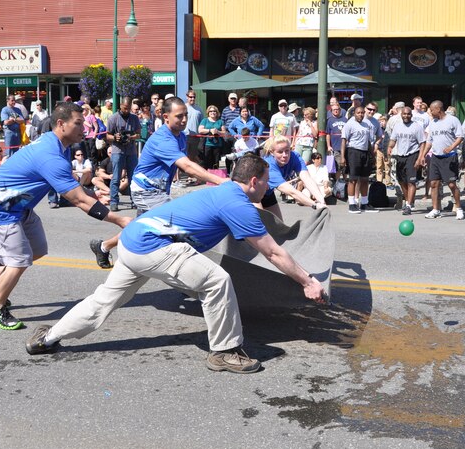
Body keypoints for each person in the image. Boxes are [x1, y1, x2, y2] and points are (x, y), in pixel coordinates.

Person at [24, 153, 328, 374]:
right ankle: (224, 352)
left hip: (132, 242)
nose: (267, 188)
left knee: (102, 301)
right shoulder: (237, 203)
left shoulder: (220, 191)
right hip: (153, 246)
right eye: (266, 182)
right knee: (217, 281)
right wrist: (308, 281)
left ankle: (48, 338)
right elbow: (273, 253)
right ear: (253, 181)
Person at [0, 102, 131, 330]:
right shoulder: (50, 154)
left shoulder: (60, 146)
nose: (84, 129)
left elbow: (72, 189)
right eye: (78, 124)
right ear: (61, 124)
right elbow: (78, 200)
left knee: (37, 249)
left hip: (19, 205)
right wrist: (119, 219)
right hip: (0, 207)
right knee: (19, 260)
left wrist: (92, 193)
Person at [90, 97, 230, 269]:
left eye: (185, 115)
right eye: (179, 116)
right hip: (146, 190)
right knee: (176, 230)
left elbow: (183, 164)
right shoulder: (163, 139)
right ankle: (182, 273)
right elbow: (185, 165)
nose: (184, 119)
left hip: (159, 190)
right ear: (166, 117)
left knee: (141, 226)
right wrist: (221, 181)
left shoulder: (180, 136)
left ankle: (103, 246)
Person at [260, 135, 327, 219]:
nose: (285, 155)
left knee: (279, 227)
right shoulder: (268, 165)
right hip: (252, 196)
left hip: (268, 193)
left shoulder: (295, 156)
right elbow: (291, 192)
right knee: (259, 228)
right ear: (271, 152)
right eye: (280, 152)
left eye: (287, 151)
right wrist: (315, 205)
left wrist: (322, 201)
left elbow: (307, 179)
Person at [423, 100, 465, 220]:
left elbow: (460, 136)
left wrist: (451, 147)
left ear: (438, 109)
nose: (430, 112)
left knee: (452, 184)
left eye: (432, 110)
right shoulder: (432, 123)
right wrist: (423, 156)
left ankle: (459, 208)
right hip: (436, 157)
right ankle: (436, 209)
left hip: (449, 157)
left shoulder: (452, 120)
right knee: (434, 184)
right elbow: (429, 141)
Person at [387, 106, 426, 216]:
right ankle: (409, 200)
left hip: (412, 155)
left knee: (411, 181)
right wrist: (390, 147)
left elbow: (422, 143)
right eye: (404, 114)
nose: (406, 116)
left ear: (411, 115)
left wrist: (420, 157)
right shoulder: (397, 126)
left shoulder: (416, 127)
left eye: (408, 114)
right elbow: (393, 140)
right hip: (400, 156)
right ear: (401, 114)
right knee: (401, 181)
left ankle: (408, 205)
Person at [106, 97, 141, 211]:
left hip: (131, 151)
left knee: (133, 177)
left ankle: (134, 201)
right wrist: (115, 137)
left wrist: (131, 137)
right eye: (124, 108)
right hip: (117, 150)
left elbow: (139, 134)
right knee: (116, 177)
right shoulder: (113, 118)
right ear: (120, 105)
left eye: (128, 108)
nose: (126, 111)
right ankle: (114, 201)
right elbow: (107, 136)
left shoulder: (134, 118)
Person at [340, 105, 377, 213]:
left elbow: (368, 142)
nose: (360, 114)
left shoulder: (366, 125)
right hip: (353, 152)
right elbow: (343, 141)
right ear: (354, 114)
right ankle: (352, 204)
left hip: (365, 152)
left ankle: (364, 203)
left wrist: (372, 156)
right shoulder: (349, 124)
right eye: (358, 113)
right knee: (353, 179)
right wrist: (342, 157)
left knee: (365, 179)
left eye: (362, 113)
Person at [199, 105, 226, 170]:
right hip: (207, 144)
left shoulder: (220, 121)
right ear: (208, 112)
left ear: (217, 112)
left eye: (214, 111)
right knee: (207, 162)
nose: (212, 112)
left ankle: (221, 175)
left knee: (219, 161)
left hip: (218, 145)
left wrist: (218, 132)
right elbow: (200, 130)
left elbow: (224, 132)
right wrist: (210, 130)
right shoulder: (204, 120)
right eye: (210, 111)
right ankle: (207, 176)